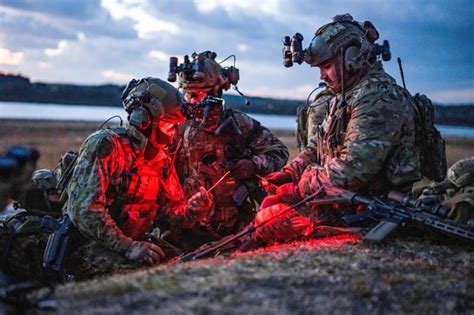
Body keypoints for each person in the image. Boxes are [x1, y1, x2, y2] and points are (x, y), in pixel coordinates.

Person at [0, 77, 213, 281]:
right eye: (169, 124)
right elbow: (85, 212)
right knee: (139, 275)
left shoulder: (161, 159)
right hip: (85, 241)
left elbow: (167, 216)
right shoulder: (106, 146)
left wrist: (191, 211)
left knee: (185, 264)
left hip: (127, 241)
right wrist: (129, 247)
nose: (174, 132)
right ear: (145, 119)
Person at [256, 14, 422, 244]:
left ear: (352, 58)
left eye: (326, 66)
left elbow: (352, 169)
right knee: (268, 210)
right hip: (339, 207)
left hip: (370, 215)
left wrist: (296, 188)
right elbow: (317, 146)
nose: (322, 76)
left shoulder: (378, 98)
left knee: (269, 220)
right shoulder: (345, 95)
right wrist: (289, 173)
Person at [165, 51, 289, 250]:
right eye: (188, 94)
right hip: (183, 230)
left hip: (234, 231)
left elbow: (278, 152)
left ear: (216, 92)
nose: (192, 101)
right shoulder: (172, 126)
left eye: (199, 94)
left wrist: (253, 165)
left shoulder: (239, 124)